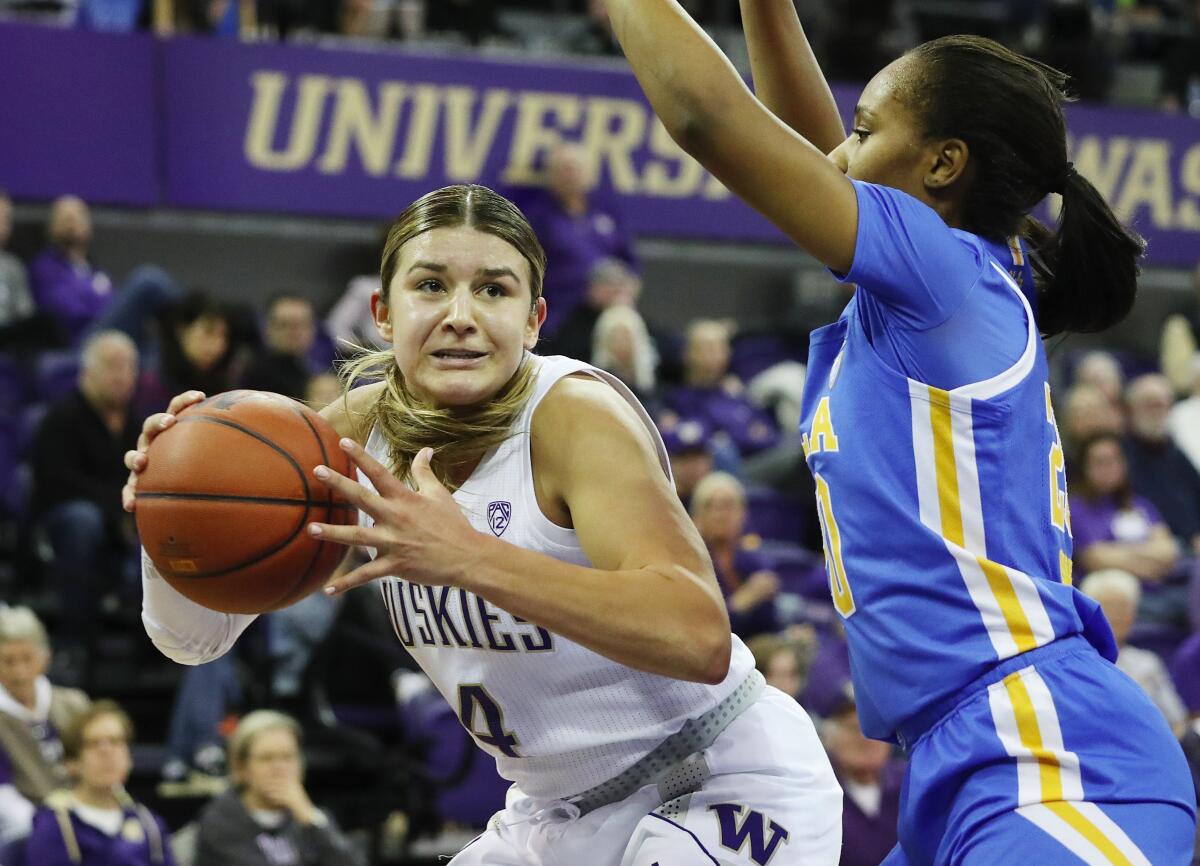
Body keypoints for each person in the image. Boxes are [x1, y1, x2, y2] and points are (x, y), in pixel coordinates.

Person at [604, 0, 1197, 861]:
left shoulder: (944, 274)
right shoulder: (944, 282)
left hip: (1045, 754)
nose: (838, 152)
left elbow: (709, 118)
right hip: (957, 758)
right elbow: (812, 158)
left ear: (943, 165)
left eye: (865, 128)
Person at [127, 184, 842, 864]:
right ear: (383, 311)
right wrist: (168, 517)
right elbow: (192, 643)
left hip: (716, 776)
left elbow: (698, 637)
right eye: (431, 285)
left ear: (534, 319)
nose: (460, 313)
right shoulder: (347, 439)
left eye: (493, 289)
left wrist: (470, 557)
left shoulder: (572, 417)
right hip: (551, 812)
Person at [32, 330, 142, 677]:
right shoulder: (61, 418)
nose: (122, 375)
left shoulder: (138, 422)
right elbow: (57, 484)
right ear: (86, 373)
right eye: (112, 366)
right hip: (59, 527)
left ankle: (153, 646)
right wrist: (117, 508)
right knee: (83, 520)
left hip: (119, 527)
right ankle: (74, 643)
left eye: (129, 366)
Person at [192, 710, 364, 866]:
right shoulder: (220, 821)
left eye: (288, 757)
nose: (279, 768)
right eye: (266, 759)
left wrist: (312, 820)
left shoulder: (309, 818)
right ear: (241, 768)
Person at [26, 701, 175, 866]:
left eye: (115, 741)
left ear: (129, 756)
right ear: (72, 763)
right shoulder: (56, 824)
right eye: (93, 743)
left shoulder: (149, 823)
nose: (106, 752)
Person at [0, 607, 89, 831]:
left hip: (83, 806)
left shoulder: (75, 704)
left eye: (27, 658)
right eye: (8, 661)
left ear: (45, 658)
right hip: (23, 820)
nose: (19, 671)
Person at [1079, 569, 1188, 734]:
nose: (1118, 616)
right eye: (1110, 608)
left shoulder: (1148, 662)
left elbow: (1177, 721)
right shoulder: (1077, 662)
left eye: (1124, 607)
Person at [690, 472, 782, 640]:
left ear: (743, 514)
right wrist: (743, 601)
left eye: (727, 506)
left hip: (754, 650)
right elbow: (701, 628)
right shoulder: (690, 563)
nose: (720, 515)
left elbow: (770, 626)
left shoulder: (755, 562)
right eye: (710, 506)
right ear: (696, 518)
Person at [1123, 374, 1200, 555]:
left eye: (1164, 405)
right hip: (1148, 545)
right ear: (1131, 409)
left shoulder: (1173, 450)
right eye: (1151, 404)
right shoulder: (1122, 453)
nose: (1158, 412)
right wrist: (1191, 536)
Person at [29, 196, 113, 348]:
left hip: (106, 338)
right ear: (52, 227)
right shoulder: (43, 268)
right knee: (148, 282)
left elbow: (114, 303)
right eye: (65, 218)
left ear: (90, 226)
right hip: (75, 342)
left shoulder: (97, 271)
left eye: (78, 216)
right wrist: (96, 299)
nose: (72, 222)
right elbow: (65, 312)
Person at [240, 293, 318, 401]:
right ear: (268, 328)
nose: (296, 333)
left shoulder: (316, 372)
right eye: (285, 325)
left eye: (302, 324)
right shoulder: (253, 375)